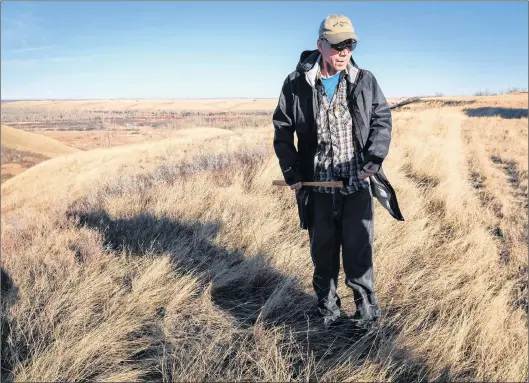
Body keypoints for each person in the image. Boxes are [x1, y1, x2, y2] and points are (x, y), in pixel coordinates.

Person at [272, 14, 405, 329]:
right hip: (317, 188)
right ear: (320, 45)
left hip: (356, 185)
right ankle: (328, 314)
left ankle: (367, 316)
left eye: (350, 44)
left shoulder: (364, 80)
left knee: (359, 254)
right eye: (337, 45)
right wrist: (291, 171)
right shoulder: (296, 83)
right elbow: (282, 129)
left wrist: (375, 156)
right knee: (323, 255)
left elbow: (381, 120)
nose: (344, 51)